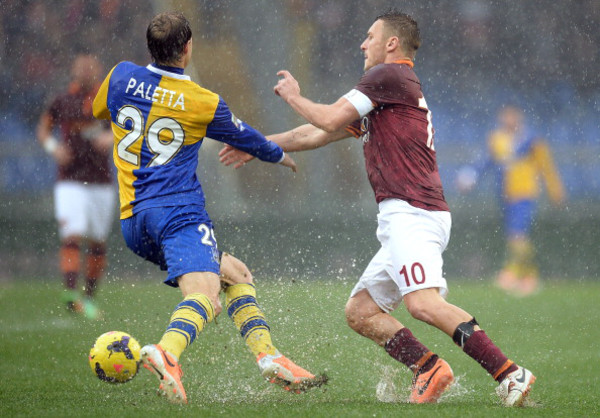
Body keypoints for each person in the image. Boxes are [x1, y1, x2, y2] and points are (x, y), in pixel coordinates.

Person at [220, 10, 535, 407]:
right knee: (361, 312)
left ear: (391, 43)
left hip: (413, 214)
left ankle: (509, 373)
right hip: (406, 217)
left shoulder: (388, 75)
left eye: (370, 36)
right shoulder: (386, 94)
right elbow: (318, 133)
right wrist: (257, 144)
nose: (362, 43)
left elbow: (328, 115)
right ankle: (429, 368)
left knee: (423, 303)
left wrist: (294, 96)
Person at [92, 12, 325, 404]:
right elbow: (246, 136)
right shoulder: (202, 101)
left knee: (234, 273)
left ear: (151, 46)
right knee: (206, 295)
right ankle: (167, 352)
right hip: (178, 215)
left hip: (133, 220)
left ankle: (270, 357)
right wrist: (279, 155)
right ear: (188, 47)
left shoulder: (119, 76)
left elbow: (101, 110)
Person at [37, 54, 115, 320]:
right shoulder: (62, 101)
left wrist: (111, 137)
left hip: (100, 181)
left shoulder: (107, 100)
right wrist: (53, 148)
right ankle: (71, 292)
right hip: (70, 180)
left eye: (90, 67)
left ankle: (88, 298)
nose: (85, 71)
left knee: (98, 242)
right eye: (81, 67)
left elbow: (126, 127)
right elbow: (43, 130)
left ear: (98, 70)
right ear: (73, 70)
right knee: (72, 233)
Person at [457, 106, 565, 296]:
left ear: (518, 118)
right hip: (504, 194)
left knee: (518, 235)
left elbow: (546, 167)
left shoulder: (531, 141)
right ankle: (530, 277)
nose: (507, 120)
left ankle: (511, 272)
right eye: (504, 117)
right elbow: (485, 161)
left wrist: (555, 191)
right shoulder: (497, 138)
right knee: (515, 236)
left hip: (524, 193)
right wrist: (471, 175)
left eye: (511, 116)